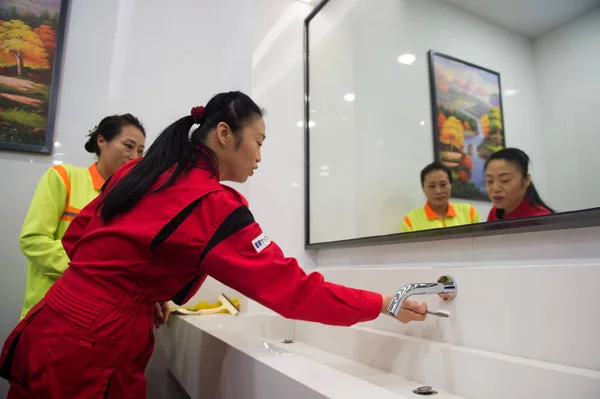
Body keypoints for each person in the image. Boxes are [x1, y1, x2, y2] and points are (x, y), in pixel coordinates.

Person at [0, 91, 428, 398]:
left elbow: (77, 241)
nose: (260, 156)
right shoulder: (213, 205)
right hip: (96, 344)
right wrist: (384, 303)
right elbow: (294, 292)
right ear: (225, 133)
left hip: (52, 317)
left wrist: (139, 290)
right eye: (259, 142)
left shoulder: (137, 173)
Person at [18, 114, 146, 320]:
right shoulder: (64, 177)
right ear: (102, 141)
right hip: (50, 309)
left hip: (100, 317)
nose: (135, 157)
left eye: (140, 151)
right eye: (128, 146)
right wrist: (92, 270)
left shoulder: (131, 200)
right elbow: (33, 241)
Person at [401, 161, 481, 232]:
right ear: (423, 188)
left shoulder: (469, 212)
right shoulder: (410, 221)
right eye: (432, 186)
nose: (438, 191)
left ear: (451, 185)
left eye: (443, 185)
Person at [485, 147, 554, 221]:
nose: (495, 188)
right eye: (490, 181)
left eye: (505, 180)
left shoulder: (541, 218)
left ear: (526, 180)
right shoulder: (494, 213)